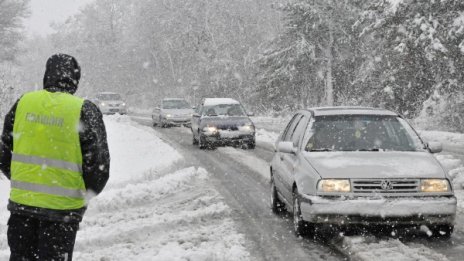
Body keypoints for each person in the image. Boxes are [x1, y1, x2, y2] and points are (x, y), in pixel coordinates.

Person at [0, 54, 110, 261]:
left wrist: (20, 179)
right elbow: (99, 166)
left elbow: (3, 151)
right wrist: (83, 195)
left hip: (21, 210)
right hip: (62, 214)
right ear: (75, 79)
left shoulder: (23, 103)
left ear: (47, 75)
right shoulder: (84, 110)